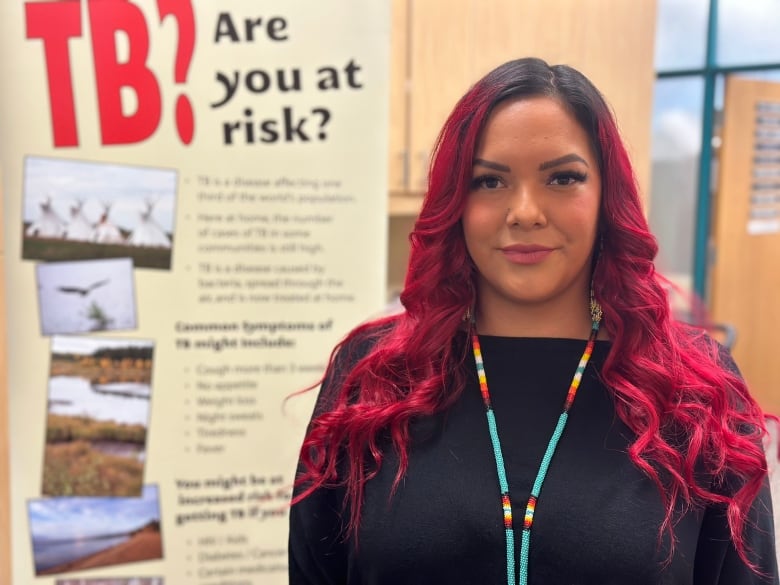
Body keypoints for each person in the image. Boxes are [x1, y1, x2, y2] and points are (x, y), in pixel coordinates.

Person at [288, 57, 778, 585]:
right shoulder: (374, 378)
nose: (525, 211)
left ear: (606, 198)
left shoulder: (692, 390)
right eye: (490, 181)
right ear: (456, 203)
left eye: (563, 178)